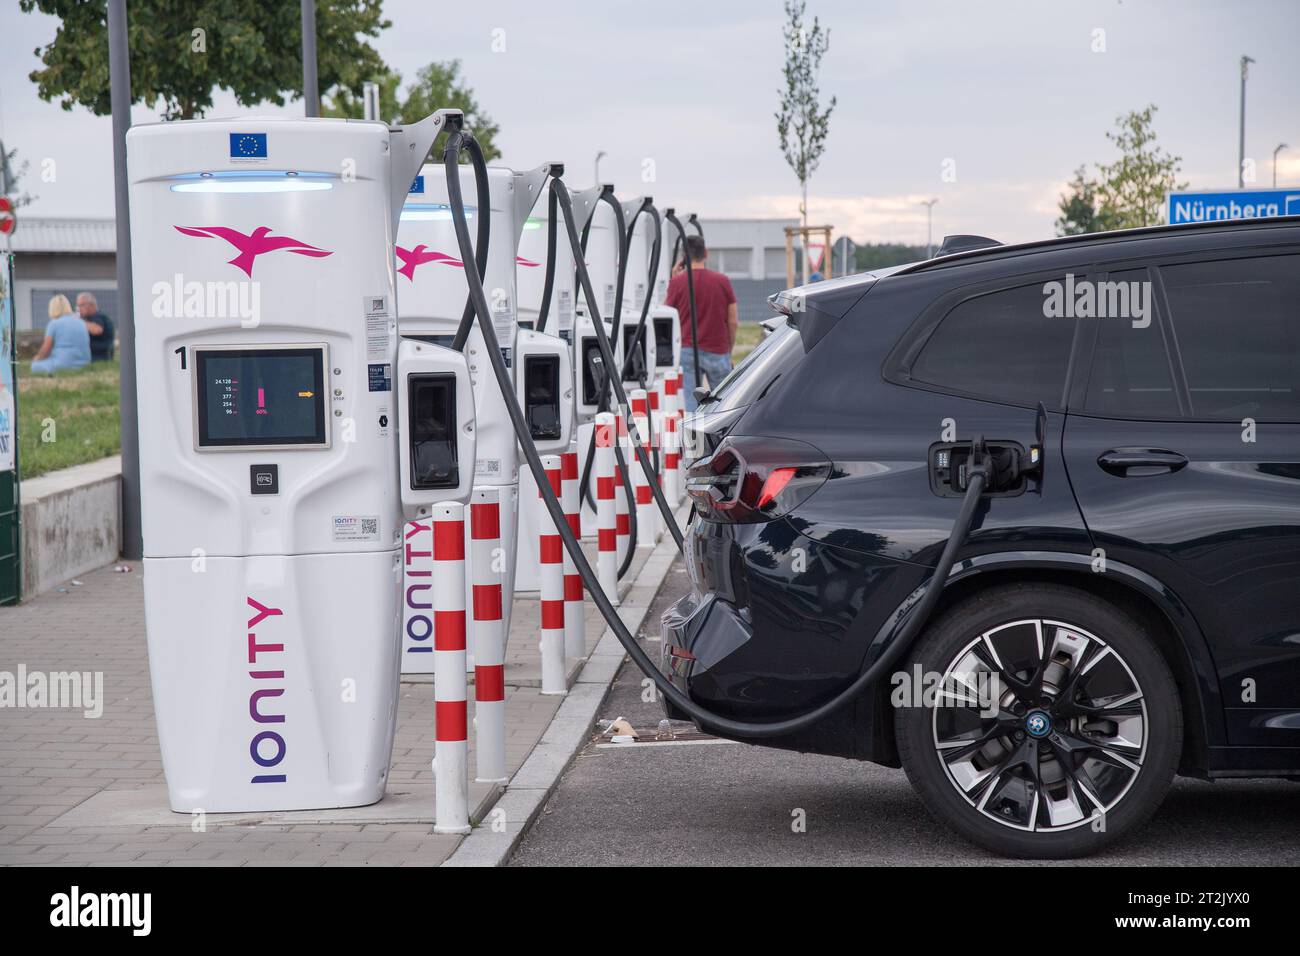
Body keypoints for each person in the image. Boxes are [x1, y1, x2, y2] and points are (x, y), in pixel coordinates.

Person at [666, 235, 737, 411]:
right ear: (706, 253)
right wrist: (729, 349)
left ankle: (695, 437)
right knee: (725, 404)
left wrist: (673, 279)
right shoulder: (722, 281)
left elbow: (665, 316)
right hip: (718, 350)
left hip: (688, 351)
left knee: (693, 407)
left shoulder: (677, 283)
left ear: (683, 257)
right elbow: (733, 321)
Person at [31, 294, 92, 374]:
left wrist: (37, 358)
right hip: (85, 364)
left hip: (64, 365)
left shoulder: (54, 324)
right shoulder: (81, 322)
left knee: (35, 366)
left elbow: (45, 350)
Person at [77, 292, 115, 361]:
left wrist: (78, 321)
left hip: (100, 357)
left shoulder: (98, 317)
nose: (79, 309)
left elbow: (97, 330)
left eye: (82, 305)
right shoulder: (89, 318)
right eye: (78, 306)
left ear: (92, 305)